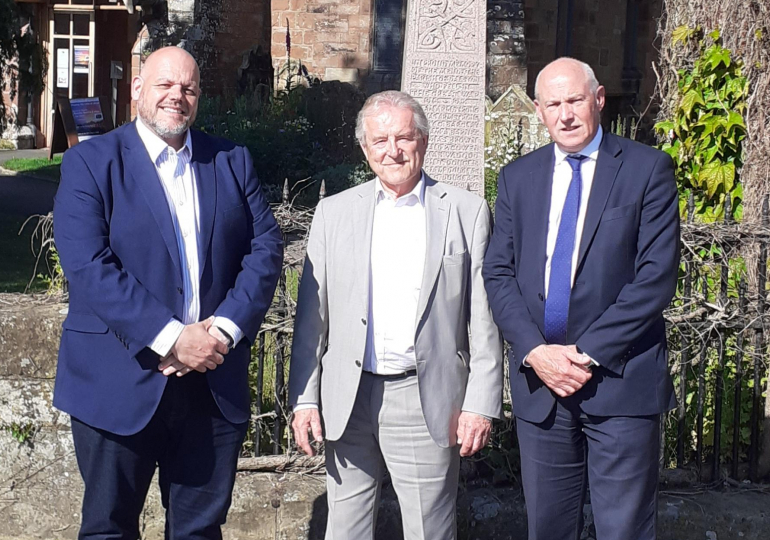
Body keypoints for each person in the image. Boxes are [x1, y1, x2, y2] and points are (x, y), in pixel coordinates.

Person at [53, 46, 283, 540]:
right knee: (108, 529)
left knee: (199, 531)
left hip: (210, 385)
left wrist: (218, 333)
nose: (177, 96)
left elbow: (265, 248)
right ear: (138, 89)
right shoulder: (91, 163)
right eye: (164, 85)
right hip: (119, 381)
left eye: (189, 88)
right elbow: (88, 264)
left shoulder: (231, 160)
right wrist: (173, 338)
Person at [288, 90, 503, 539]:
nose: (393, 150)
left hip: (424, 397)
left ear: (423, 142)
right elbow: (313, 319)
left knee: (429, 531)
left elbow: (483, 319)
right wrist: (306, 399)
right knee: (345, 530)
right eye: (380, 140)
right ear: (365, 148)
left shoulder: (465, 212)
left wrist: (481, 404)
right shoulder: (333, 213)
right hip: (348, 396)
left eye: (404, 137)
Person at [483, 57, 679, 540]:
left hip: (621, 382)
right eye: (553, 104)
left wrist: (585, 354)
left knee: (624, 531)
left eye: (574, 100)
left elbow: (655, 278)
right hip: (541, 389)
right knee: (547, 530)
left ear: (598, 99)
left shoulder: (646, 169)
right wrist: (535, 351)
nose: (566, 114)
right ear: (538, 110)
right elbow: (498, 273)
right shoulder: (517, 178)